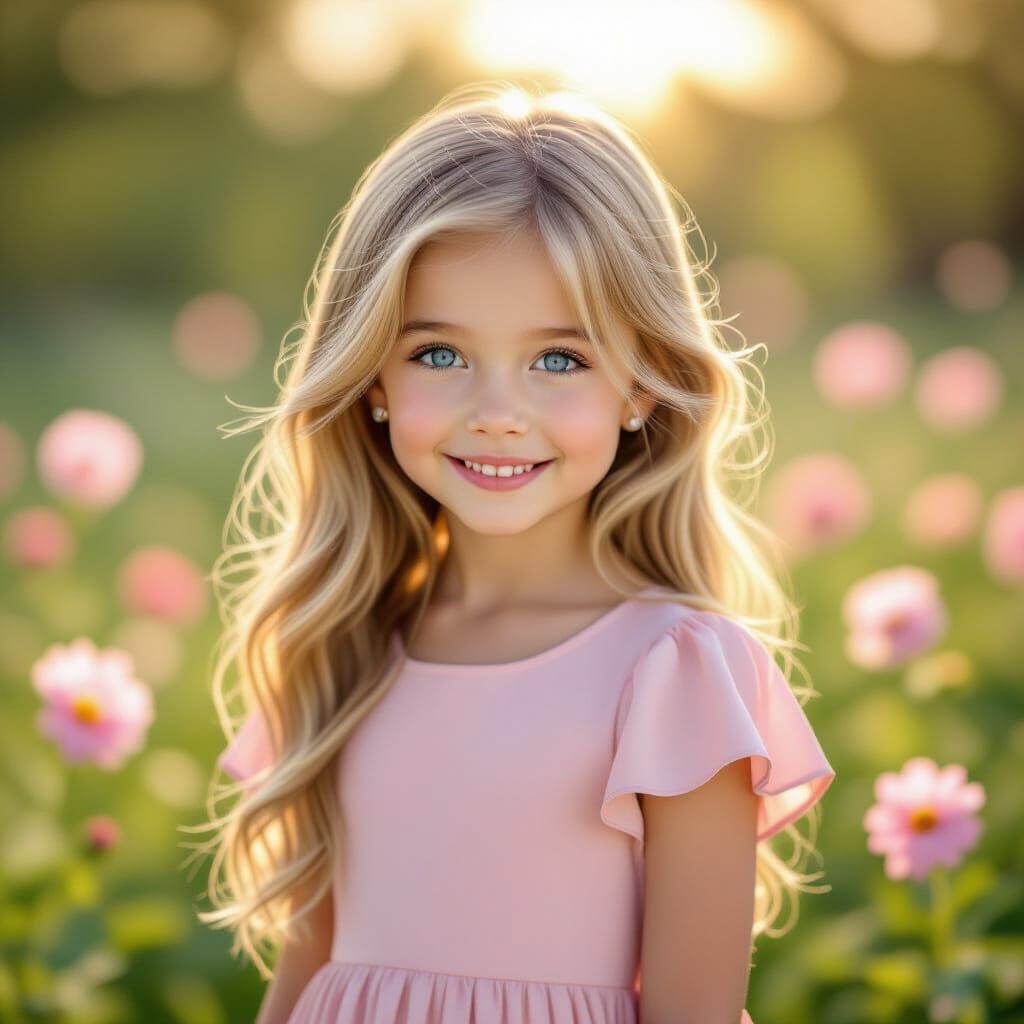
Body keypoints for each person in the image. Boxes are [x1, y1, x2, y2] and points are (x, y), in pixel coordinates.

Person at [194, 82, 836, 1024]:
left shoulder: (677, 674)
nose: (498, 412)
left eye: (561, 360)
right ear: (372, 375)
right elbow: (308, 973)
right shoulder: (343, 642)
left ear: (642, 386)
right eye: (440, 355)